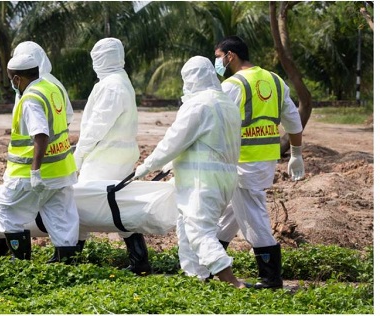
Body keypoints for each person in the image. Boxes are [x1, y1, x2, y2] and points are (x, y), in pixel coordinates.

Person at [133, 56, 245, 288]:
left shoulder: (198, 104)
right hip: (222, 178)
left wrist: (147, 166)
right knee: (186, 229)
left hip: (202, 181)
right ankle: (196, 279)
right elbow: (206, 141)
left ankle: (233, 283)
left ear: (191, 79)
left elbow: (174, 141)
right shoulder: (226, 103)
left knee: (199, 232)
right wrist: (169, 165)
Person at [0, 41, 76, 260]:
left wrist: (35, 172)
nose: (12, 85)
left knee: (5, 209)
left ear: (18, 79)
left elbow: (41, 135)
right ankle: (66, 261)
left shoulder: (30, 99)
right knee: (60, 215)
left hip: (32, 173)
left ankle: (21, 261)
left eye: (11, 80)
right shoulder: (52, 89)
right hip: (61, 170)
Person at [213, 35, 305, 289]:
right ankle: (210, 263)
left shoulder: (232, 85)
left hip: (242, 163)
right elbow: (293, 121)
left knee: (253, 218)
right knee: (232, 213)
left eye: (218, 57)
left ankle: (271, 277)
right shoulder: (275, 81)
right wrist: (296, 153)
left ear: (230, 56)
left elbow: (216, 125)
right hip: (264, 161)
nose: (217, 62)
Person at [74, 37, 151, 276]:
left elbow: (97, 126)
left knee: (82, 204)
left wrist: (78, 154)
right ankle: (139, 259)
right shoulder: (118, 81)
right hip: (116, 155)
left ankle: (70, 256)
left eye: (97, 58)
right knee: (116, 206)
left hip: (104, 156)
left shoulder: (112, 86)